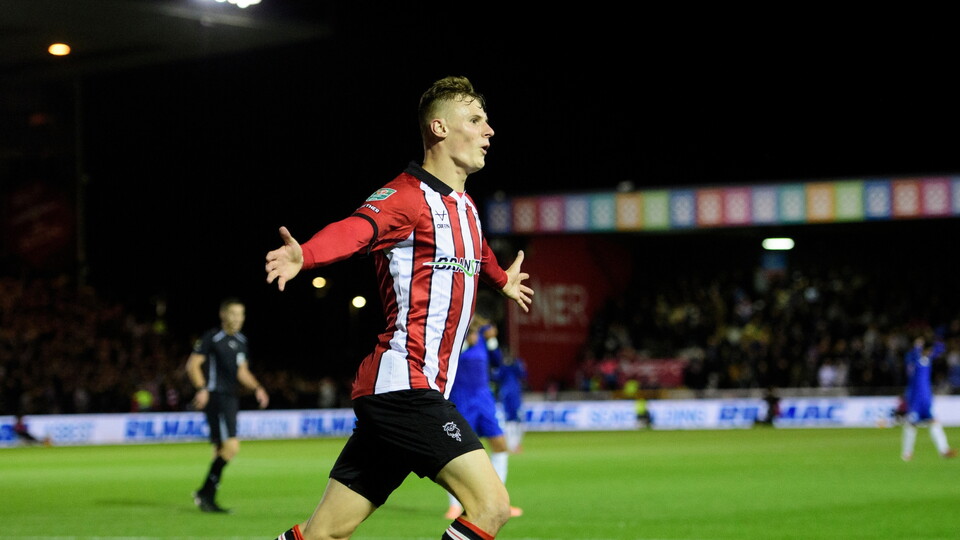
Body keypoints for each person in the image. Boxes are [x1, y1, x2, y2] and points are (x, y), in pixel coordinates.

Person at [264, 75, 533, 540]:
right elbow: (356, 230)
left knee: (326, 531)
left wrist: (501, 280)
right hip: (404, 387)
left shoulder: (466, 207)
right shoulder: (406, 197)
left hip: (406, 393)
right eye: (475, 119)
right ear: (440, 128)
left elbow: (479, 254)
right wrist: (305, 254)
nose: (489, 130)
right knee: (491, 507)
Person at [186, 297, 269, 513]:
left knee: (220, 451)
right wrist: (202, 388)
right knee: (231, 447)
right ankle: (205, 494)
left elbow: (242, 372)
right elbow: (193, 365)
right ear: (223, 315)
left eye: (241, 314)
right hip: (216, 397)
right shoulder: (212, 337)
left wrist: (257, 387)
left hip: (231, 398)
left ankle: (206, 496)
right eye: (233, 313)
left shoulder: (241, 340)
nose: (238, 318)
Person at [444, 315, 522, 520]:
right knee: (456, 452)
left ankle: (499, 503)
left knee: (500, 445)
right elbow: (445, 360)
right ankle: (455, 505)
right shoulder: (454, 336)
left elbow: (498, 363)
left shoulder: (482, 340)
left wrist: (492, 340)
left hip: (484, 401)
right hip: (461, 400)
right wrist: (465, 345)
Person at [901, 336, 957, 461]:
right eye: (929, 350)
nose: (931, 352)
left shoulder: (927, 359)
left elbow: (941, 348)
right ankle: (907, 453)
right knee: (911, 425)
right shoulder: (914, 360)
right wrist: (917, 346)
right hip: (915, 399)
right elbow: (909, 357)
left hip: (926, 399)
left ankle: (944, 450)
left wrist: (932, 338)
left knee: (934, 422)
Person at [493, 344, 527, 453]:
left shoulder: (516, 365)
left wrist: (515, 364)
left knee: (519, 421)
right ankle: (510, 445)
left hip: (515, 396)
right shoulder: (502, 367)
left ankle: (515, 444)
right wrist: (502, 367)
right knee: (508, 421)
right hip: (507, 396)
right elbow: (495, 377)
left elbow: (524, 374)